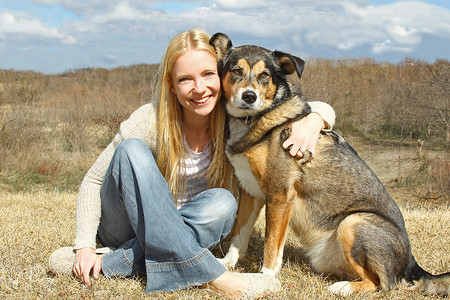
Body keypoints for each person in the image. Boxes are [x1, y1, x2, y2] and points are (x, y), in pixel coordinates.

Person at [49, 28, 335, 299]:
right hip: (126, 223)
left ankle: (118, 260)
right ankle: (215, 279)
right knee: (132, 150)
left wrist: (316, 119)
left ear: (220, 76)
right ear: (172, 86)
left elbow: (292, 106)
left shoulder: (233, 123)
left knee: (223, 203)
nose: (199, 88)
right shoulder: (150, 120)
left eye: (208, 74)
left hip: (190, 224)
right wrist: (85, 246)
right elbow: (94, 181)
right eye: (186, 79)